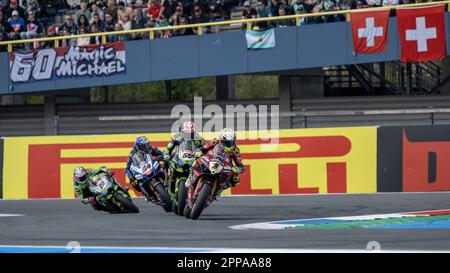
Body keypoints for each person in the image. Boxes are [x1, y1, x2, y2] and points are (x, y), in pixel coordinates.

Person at [186, 128, 245, 198]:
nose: (229, 145)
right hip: (210, 160)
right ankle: (190, 177)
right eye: (226, 142)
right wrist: (199, 152)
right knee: (195, 161)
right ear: (221, 140)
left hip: (224, 166)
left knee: (235, 180)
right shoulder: (215, 142)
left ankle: (218, 191)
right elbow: (203, 148)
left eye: (231, 142)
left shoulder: (236, 150)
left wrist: (237, 169)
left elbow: (241, 166)